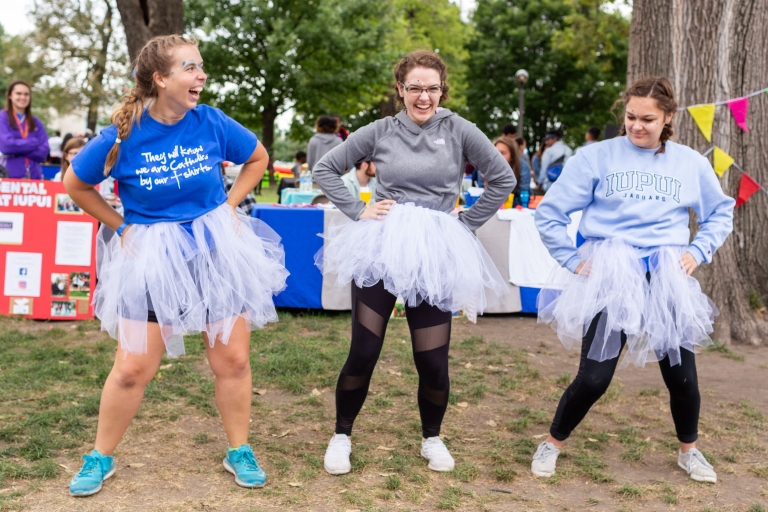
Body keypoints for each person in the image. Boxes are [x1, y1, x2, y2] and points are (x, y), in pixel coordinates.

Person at [63, 35, 288, 497]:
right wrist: (122, 226)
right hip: (151, 258)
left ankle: (238, 450)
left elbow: (257, 158)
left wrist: (228, 205)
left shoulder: (211, 121)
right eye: (190, 67)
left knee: (233, 359)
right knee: (131, 369)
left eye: (200, 66)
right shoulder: (121, 136)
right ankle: (99, 457)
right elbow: (77, 185)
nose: (201, 75)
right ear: (160, 78)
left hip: (213, 250)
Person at [313, 50, 515, 476]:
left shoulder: (459, 128)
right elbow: (327, 169)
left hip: (436, 246)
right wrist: (358, 209)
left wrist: (469, 221)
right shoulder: (381, 130)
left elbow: (503, 178)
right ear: (401, 89)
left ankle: (432, 438)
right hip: (384, 243)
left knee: (432, 359)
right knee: (365, 349)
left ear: (443, 89)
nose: (424, 96)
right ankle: (341, 435)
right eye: (415, 88)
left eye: (432, 88)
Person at [531, 77, 734, 484]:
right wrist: (572, 260)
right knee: (593, 377)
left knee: (682, 376)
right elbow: (549, 213)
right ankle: (552, 442)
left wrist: (697, 252)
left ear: (668, 118)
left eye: (648, 119)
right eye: (630, 117)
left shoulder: (689, 162)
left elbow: (721, 212)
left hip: (667, 276)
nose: (637, 126)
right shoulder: (595, 157)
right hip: (612, 273)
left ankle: (689, 452)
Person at [0, 80, 49, 179]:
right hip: (9, 178)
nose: (22, 97)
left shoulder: (36, 122)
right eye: (18, 93)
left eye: (26, 94)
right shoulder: (2, 117)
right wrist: (33, 142)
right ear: (9, 95)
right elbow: (6, 146)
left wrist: (17, 147)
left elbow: (44, 152)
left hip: (34, 178)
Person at [493, 136, 530, 208]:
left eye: (503, 153)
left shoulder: (523, 166)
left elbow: (523, 198)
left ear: (512, 156)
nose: (498, 156)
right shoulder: (487, 166)